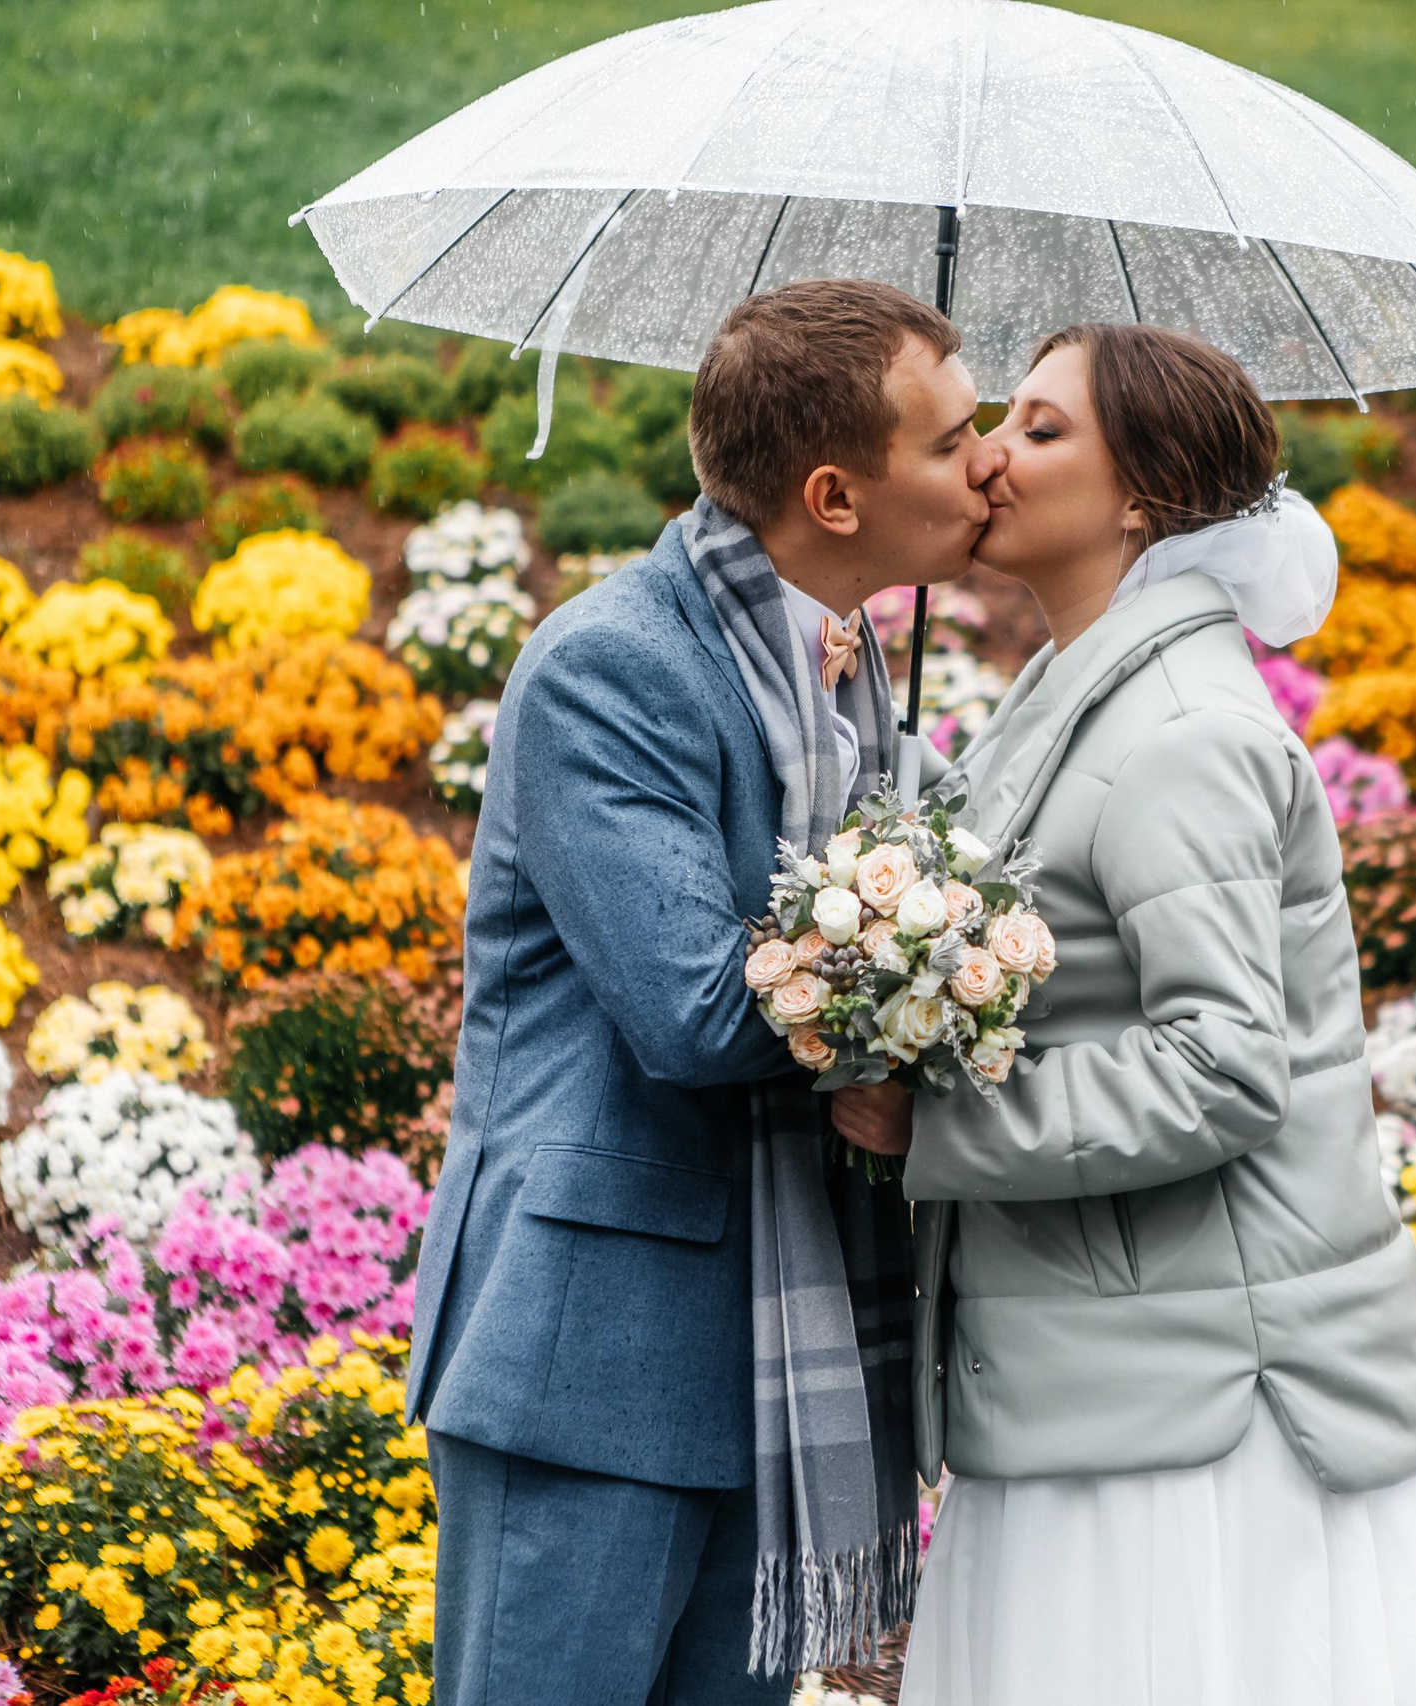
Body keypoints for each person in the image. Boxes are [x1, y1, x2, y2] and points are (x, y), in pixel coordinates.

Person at [836, 324, 1416, 1706]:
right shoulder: (1078, 697)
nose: (991, 456)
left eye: (1040, 429)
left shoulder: (1183, 733)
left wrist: (936, 1128)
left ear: (1144, 501)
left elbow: (1222, 1068)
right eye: (1001, 422)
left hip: (1198, 1409)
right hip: (1104, 1363)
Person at [407, 277, 995, 1706]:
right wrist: (927, 970)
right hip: (594, 1350)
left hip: (777, 1353)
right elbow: (697, 1007)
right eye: (950, 440)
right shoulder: (616, 667)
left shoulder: (845, 680)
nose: (987, 464)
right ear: (835, 496)